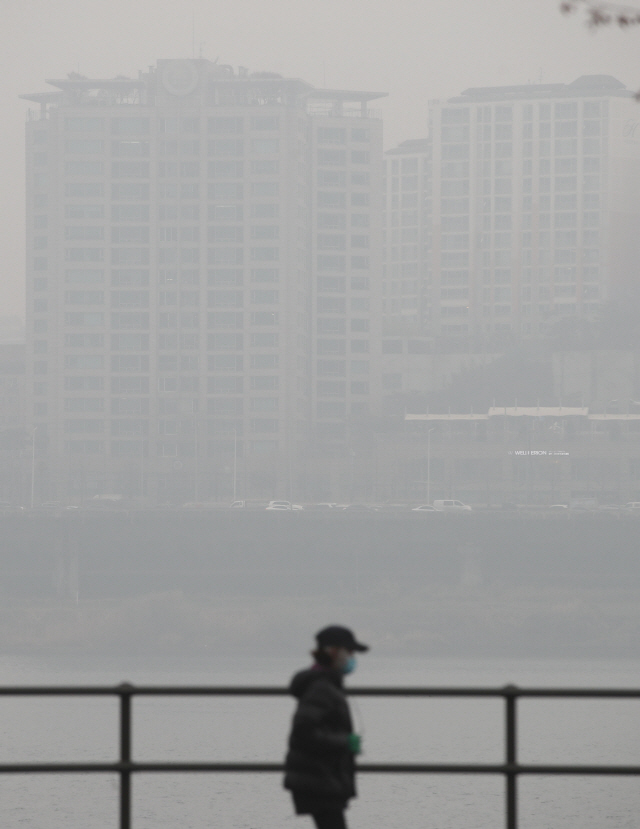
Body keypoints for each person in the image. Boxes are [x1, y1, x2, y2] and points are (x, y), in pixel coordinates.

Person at [284, 625, 369, 829]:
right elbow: (303, 732)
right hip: (320, 780)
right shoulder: (321, 688)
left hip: (322, 778)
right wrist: (345, 742)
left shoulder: (326, 684)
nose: (352, 657)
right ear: (333, 652)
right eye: (348, 652)